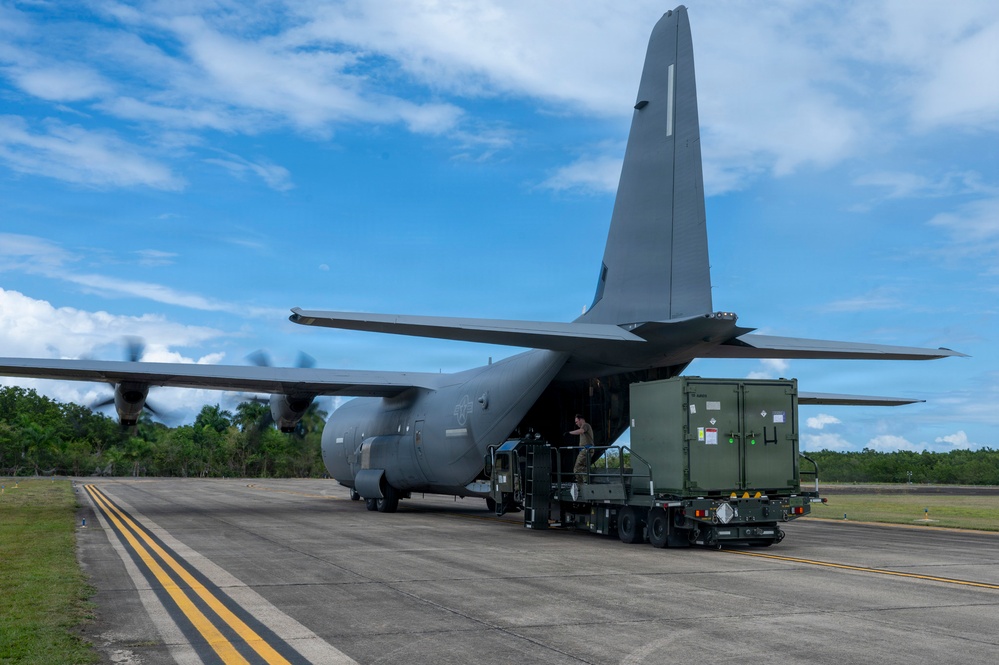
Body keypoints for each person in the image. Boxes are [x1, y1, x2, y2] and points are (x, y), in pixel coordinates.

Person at [569, 414, 594, 485]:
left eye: (576, 422)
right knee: (582, 467)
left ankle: (581, 484)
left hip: (586, 450)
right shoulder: (586, 426)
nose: (576, 424)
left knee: (576, 469)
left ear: (580, 420)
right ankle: (586, 480)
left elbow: (581, 431)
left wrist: (570, 433)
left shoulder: (585, 425)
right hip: (586, 450)